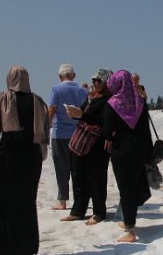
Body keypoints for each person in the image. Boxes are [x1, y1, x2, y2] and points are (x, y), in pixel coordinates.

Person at [0, 65, 49, 255]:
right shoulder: (38, 101)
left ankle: (8, 252)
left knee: (5, 202)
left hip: (8, 158)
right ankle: (28, 247)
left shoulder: (2, 98)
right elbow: (43, 132)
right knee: (27, 201)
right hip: (31, 158)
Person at [103, 71, 152, 243]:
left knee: (126, 188)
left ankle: (130, 230)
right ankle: (128, 221)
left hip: (121, 151)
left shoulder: (113, 103)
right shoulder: (140, 101)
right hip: (139, 150)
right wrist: (148, 152)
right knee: (133, 184)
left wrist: (109, 139)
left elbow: (107, 131)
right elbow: (146, 130)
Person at [63, 69, 113, 225]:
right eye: (94, 80)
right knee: (79, 176)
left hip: (97, 144)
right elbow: (85, 112)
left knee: (96, 178)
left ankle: (99, 212)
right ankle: (78, 210)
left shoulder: (109, 99)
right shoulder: (92, 96)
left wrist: (82, 115)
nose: (95, 83)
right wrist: (75, 113)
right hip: (82, 141)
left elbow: (103, 120)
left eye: (99, 81)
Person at [47, 64, 88, 211]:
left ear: (60, 76)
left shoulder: (55, 89)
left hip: (59, 135)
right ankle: (79, 199)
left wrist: (45, 129)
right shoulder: (82, 91)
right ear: (74, 75)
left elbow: (51, 111)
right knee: (77, 169)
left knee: (61, 169)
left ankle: (62, 200)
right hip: (77, 134)